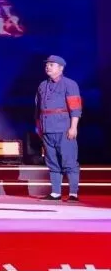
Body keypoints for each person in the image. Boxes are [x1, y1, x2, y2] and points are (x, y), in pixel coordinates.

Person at [36, 55, 82, 202]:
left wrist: (73, 127)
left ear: (61, 68)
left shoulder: (70, 84)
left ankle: (73, 193)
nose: (47, 67)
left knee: (69, 161)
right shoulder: (42, 85)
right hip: (47, 129)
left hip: (64, 128)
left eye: (51, 64)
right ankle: (55, 192)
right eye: (47, 64)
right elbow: (38, 108)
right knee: (52, 162)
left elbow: (75, 107)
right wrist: (39, 127)